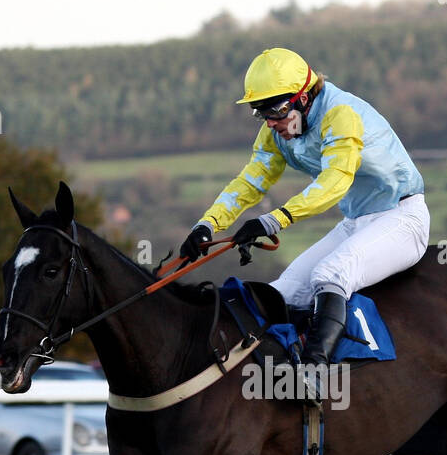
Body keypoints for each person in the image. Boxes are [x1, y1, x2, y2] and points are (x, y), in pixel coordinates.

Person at [179, 47, 428, 399]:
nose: (269, 122)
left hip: (403, 218)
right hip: (356, 221)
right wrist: (207, 224)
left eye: (275, 110)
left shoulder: (341, 114)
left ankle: (314, 374)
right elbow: (250, 182)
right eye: (259, 111)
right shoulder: (276, 131)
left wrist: (273, 220)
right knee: (282, 292)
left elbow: (334, 183)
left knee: (330, 274)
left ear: (305, 96)